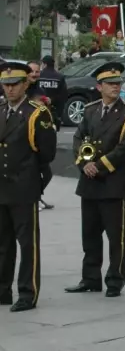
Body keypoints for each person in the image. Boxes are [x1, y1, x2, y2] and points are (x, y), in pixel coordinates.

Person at [65, 61, 125, 298]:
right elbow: (78, 140)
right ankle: (90, 278)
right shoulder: (90, 110)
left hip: (113, 183)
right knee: (89, 234)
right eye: (110, 84)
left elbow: (123, 149)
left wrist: (98, 166)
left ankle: (114, 280)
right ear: (99, 86)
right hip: (89, 184)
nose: (115, 87)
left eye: (118, 83)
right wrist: (83, 163)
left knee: (115, 237)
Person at [0, 62, 56, 312]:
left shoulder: (36, 112)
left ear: (25, 84)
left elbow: (47, 153)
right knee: (3, 243)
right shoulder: (1, 110)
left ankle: (27, 292)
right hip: (2, 187)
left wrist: (34, 178)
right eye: (6, 85)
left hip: (24, 187)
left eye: (14, 85)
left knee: (27, 243)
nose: (10, 90)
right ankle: (2, 290)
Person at [37, 55, 66, 128]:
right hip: (53, 111)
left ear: (45, 64)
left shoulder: (38, 76)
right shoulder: (60, 77)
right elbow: (63, 96)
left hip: (37, 109)